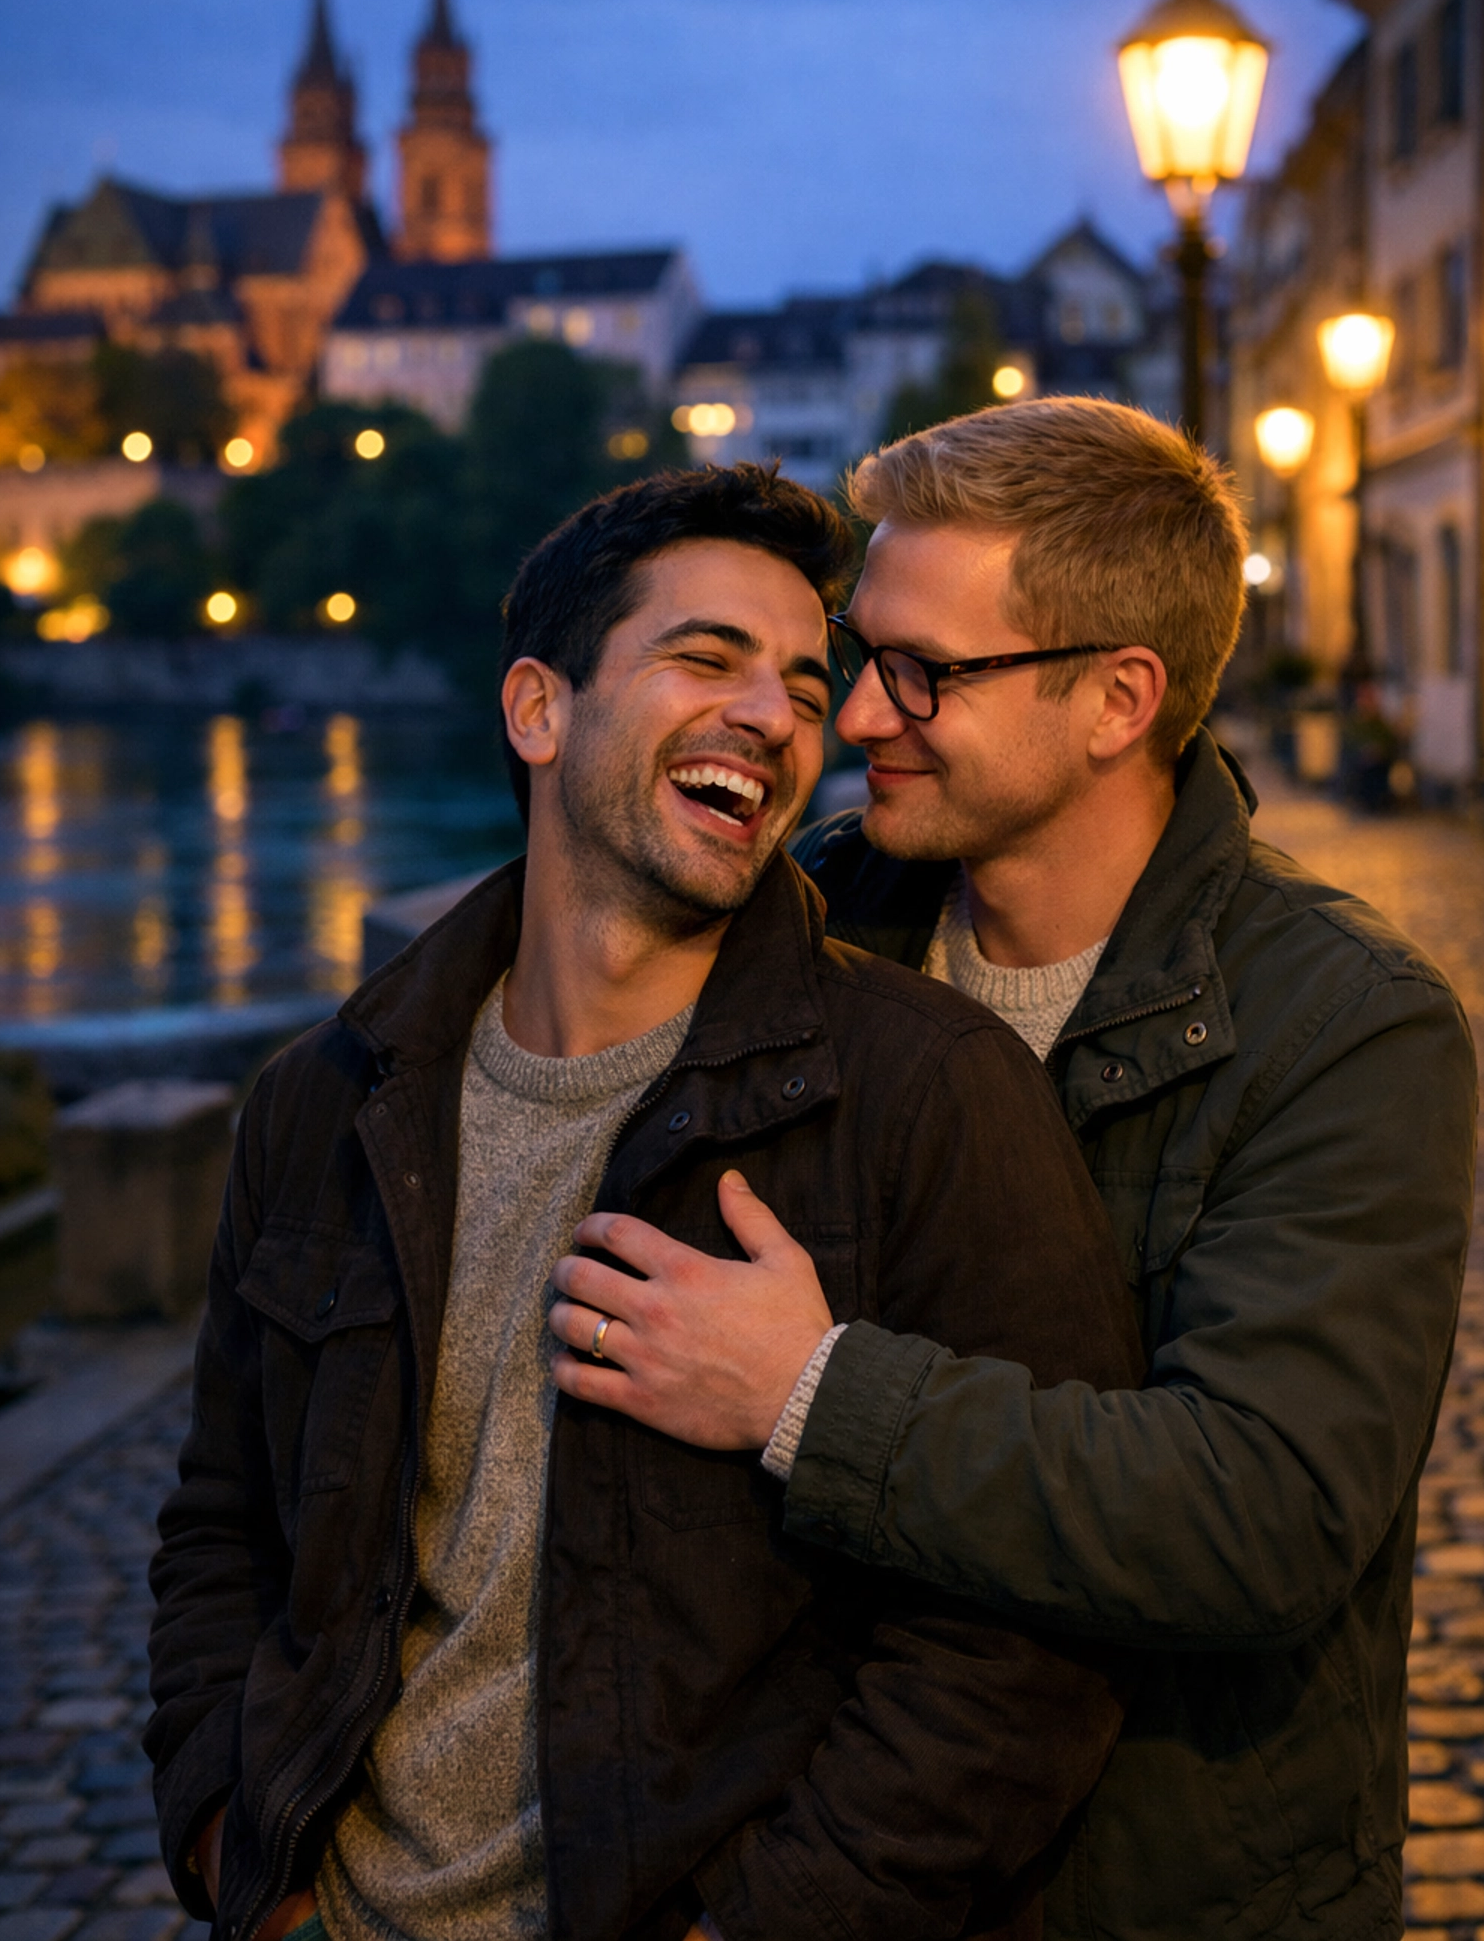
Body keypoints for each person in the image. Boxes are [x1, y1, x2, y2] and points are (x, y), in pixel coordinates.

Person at [147, 461, 1143, 1941]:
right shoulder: (326, 1102)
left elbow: (1026, 1642)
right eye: (708, 659)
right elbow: (224, 1528)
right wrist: (238, 1854)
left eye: (808, 687)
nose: (779, 717)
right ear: (539, 710)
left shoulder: (923, 1093)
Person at [549, 402, 1478, 1941]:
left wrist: (803, 1393)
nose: (856, 718)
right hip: (819, 1863)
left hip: (1166, 1889)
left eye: (929, 674)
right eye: (865, 657)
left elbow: (1264, 1513)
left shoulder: (1348, 1025)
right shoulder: (817, 922)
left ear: (1118, 699)